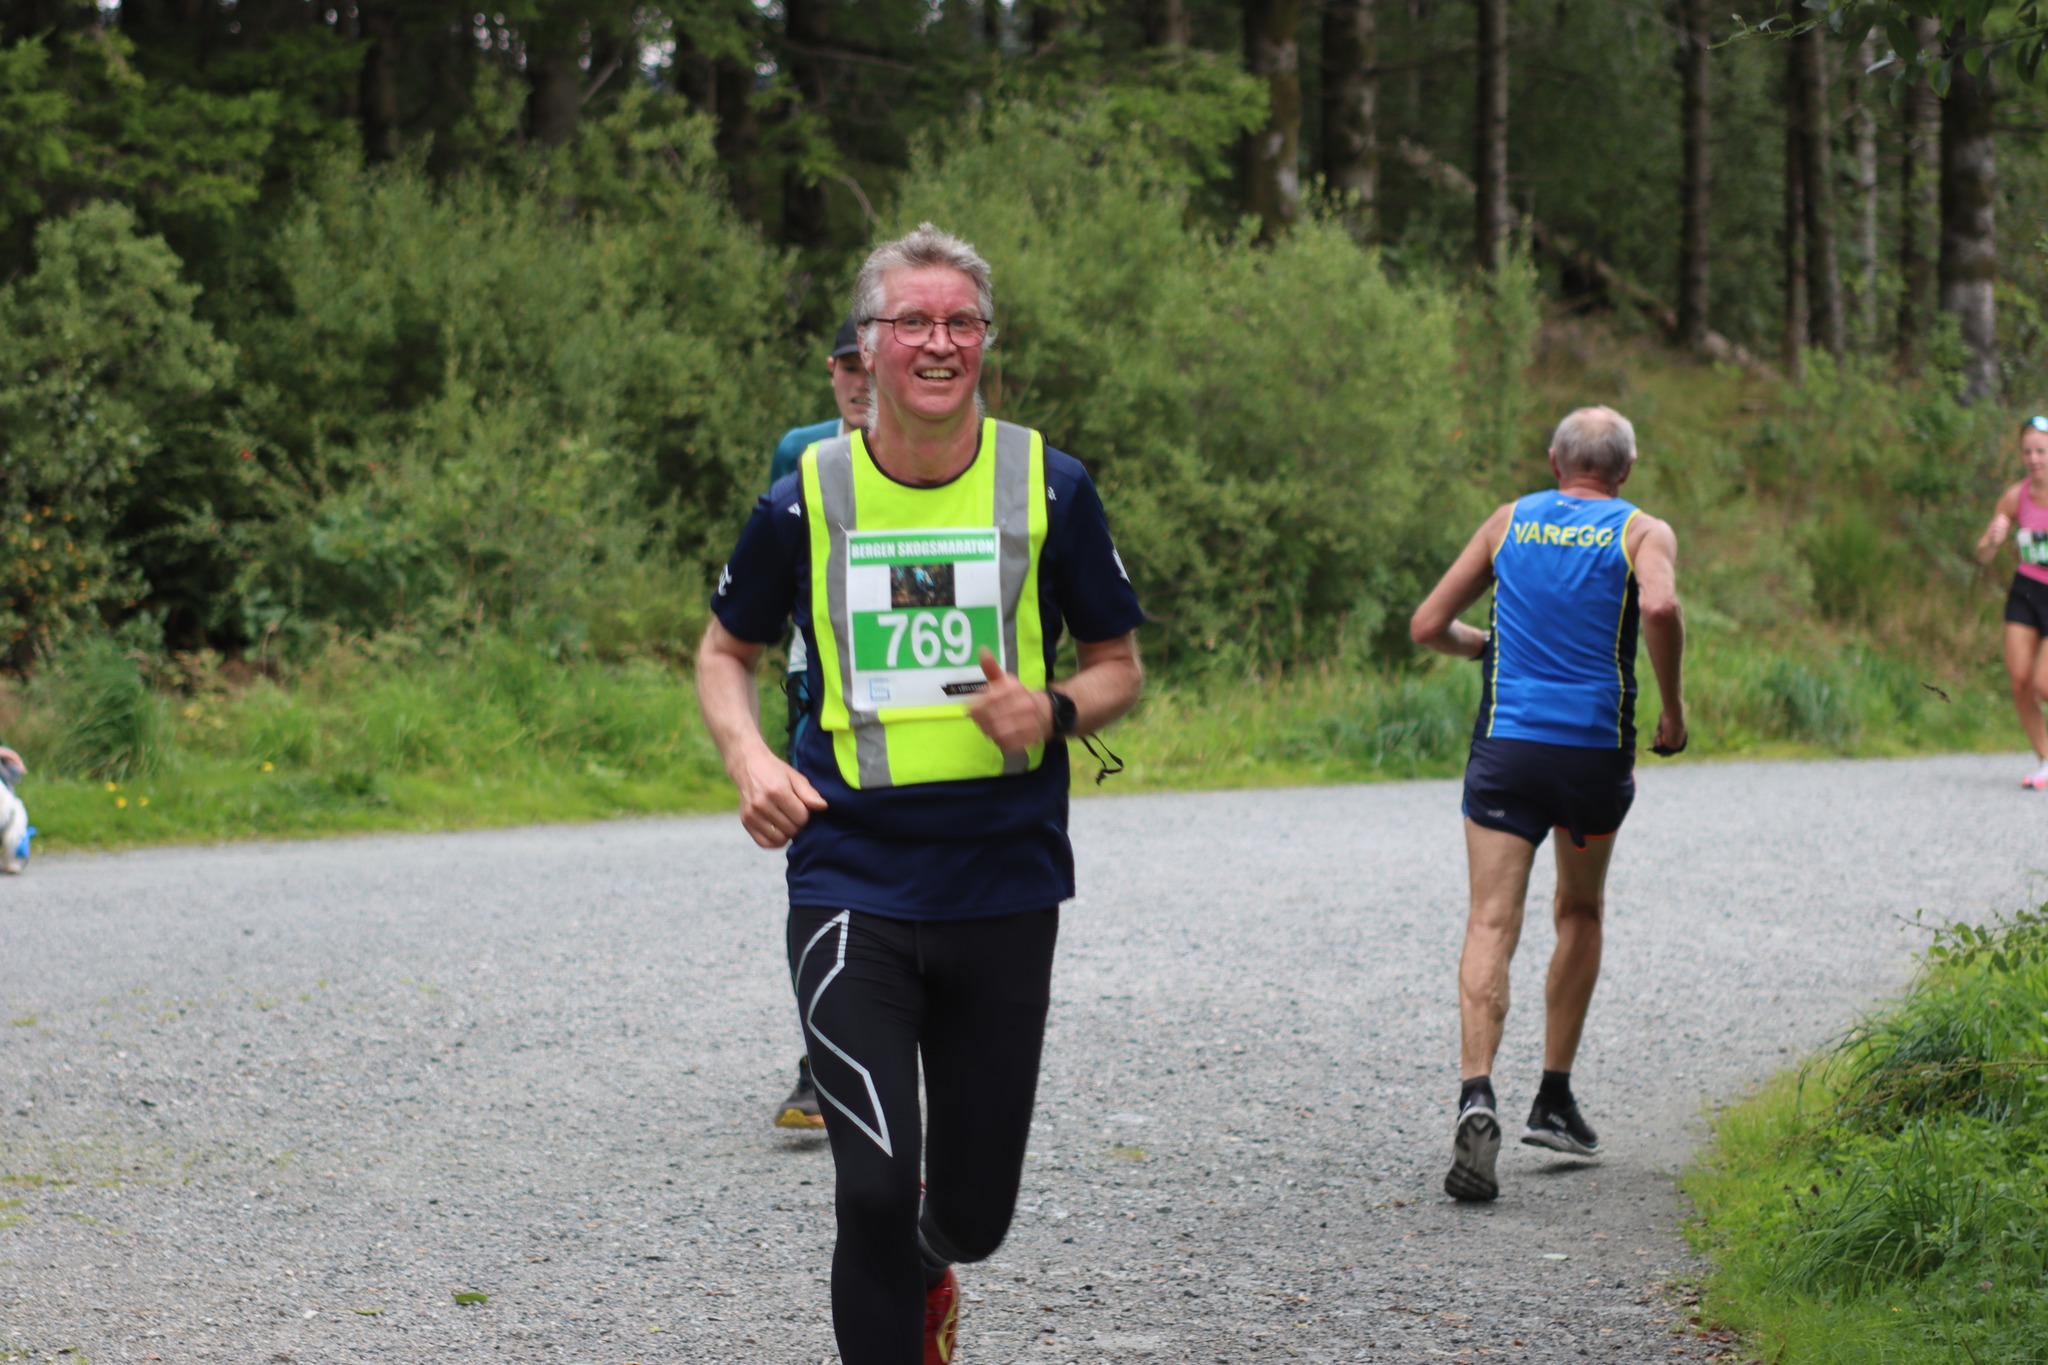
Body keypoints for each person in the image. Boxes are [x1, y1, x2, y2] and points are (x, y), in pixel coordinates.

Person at [696, 223, 1144, 1364]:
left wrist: (1053, 708)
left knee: (973, 1214)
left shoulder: (1050, 485)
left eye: (960, 323)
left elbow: (1118, 667)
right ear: (866, 344)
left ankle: (935, 1266)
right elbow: (724, 652)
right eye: (912, 322)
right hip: (851, 870)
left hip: (1003, 877)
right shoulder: (805, 496)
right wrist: (750, 760)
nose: (938, 344)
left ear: (986, 340)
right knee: (872, 1188)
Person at [1408, 405, 1686, 1203]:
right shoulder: (1642, 531)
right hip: (1592, 756)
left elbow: (1428, 624)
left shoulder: (1508, 522)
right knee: (1579, 910)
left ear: (1554, 460)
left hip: (1509, 750)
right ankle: (1554, 1097)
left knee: (1491, 920)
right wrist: (1672, 708)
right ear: (1624, 470)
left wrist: (1482, 644)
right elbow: (1660, 608)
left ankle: (1476, 1093)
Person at [770, 318, 872, 1131]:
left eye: (872, 364)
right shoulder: (800, 451)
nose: (861, 380)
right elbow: (773, 555)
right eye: (847, 365)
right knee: (821, 862)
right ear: (831, 371)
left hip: (916, 692)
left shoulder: (945, 455)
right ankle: (820, 1063)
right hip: (816, 682)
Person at [1973, 415, 2048, 789]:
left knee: (2044, 682)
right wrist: (1992, 539)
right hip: (2027, 590)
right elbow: (1982, 555)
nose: (2033, 459)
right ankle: (2046, 760)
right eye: (2027, 452)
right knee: (2020, 681)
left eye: (2041, 451)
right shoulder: (2014, 497)